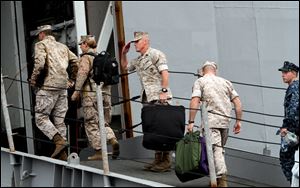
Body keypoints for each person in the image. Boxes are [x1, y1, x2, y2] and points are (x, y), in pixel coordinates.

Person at [121, 31, 173, 172]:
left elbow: (165, 74)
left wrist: (163, 92)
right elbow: (125, 67)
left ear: (145, 41)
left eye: (137, 42)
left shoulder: (156, 54)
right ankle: (158, 159)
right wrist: (124, 53)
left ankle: (166, 160)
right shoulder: (139, 59)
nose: (135, 44)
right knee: (152, 128)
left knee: (162, 127)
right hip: (147, 97)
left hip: (158, 97)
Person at [187, 61, 242, 187]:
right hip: (225, 122)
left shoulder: (200, 82)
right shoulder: (226, 82)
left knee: (215, 151)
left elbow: (195, 101)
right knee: (220, 150)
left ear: (202, 71)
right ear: (215, 70)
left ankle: (221, 181)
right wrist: (238, 121)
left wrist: (191, 122)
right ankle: (217, 179)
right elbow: (238, 103)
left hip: (210, 122)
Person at [29, 25, 79, 160]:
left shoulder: (41, 44)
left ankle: (59, 141)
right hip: (62, 88)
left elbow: (39, 64)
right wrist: (72, 80)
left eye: (39, 34)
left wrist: (33, 80)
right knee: (60, 121)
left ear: (42, 34)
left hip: (48, 86)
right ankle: (63, 155)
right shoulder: (63, 47)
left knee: (40, 118)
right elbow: (76, 62)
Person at [71, 35, 119, 160]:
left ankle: (98, 151)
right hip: (105, 95)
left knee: (91, 122)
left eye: (81, 44)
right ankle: (112, 139)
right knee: (103, 121)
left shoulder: (86, 58)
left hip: (90, 95)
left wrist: (76, 92)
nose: (80, 47)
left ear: (86, 45)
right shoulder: (101, 57)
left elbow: (82, 75)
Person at [278, 61, 299, 185]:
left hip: (293, 131)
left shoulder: (294, 87)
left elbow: (293, 110)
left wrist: (286, 127)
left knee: (286, 158)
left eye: (286, 72)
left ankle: (294, 182)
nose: (283, 75)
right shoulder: (293, 87)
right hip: (294, 129)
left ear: (293, 73)